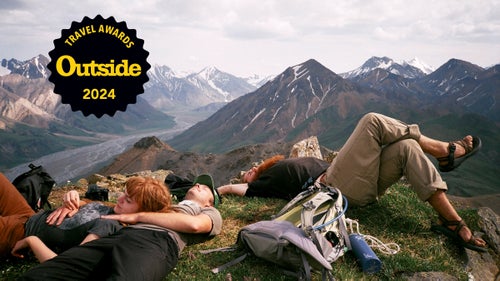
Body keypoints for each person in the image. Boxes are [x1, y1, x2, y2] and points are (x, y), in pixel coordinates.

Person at [217, 112, 487, 252]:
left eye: (252, 168)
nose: (251, 169)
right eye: (246, 172)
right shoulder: (265, 182)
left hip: (356, 180)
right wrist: (223, 189)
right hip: (334, 187)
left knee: (405, 146)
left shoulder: (281, 164)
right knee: (372, 121)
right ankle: (442, 150)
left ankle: (452, 221)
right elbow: (241, 190)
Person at [19, 174, 222, 281]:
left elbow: (195, 226)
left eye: (205, 188)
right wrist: (76, 199)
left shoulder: (209, 213)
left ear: (210, 202)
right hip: (125, 234)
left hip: (156, 242)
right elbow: (110, 210)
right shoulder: (167, 206)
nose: (197, 185)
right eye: (196, 183)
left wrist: (138, 216)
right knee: (39, 276)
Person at [0, 173, 171, 260]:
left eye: (127, 200)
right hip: (28, 216)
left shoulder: (110, 226)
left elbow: (69, 263)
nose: (119, 199)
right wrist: (73, 197)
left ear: (142, 212)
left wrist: (30, 241)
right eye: (123, 194)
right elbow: (85, 209)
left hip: (17, 234)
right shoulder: (114, 210)